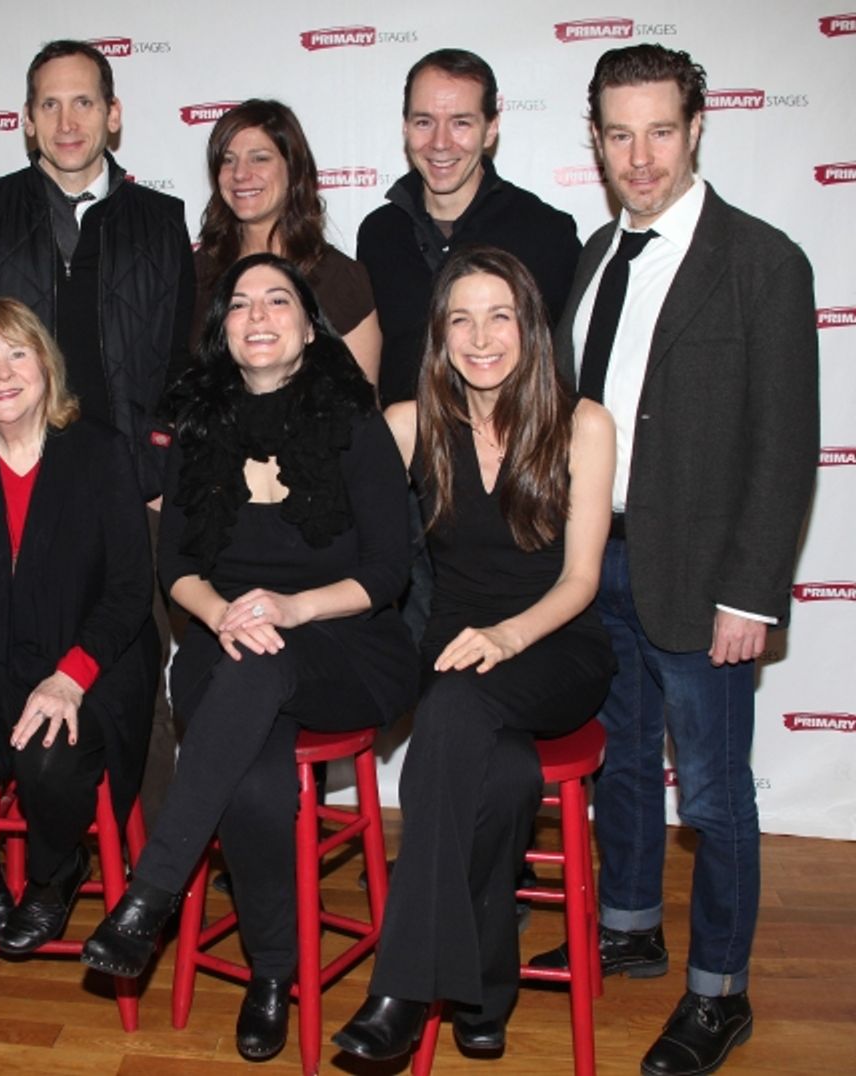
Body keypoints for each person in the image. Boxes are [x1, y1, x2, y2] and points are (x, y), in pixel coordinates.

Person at [529, 45, 818, 1076]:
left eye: (660, 131)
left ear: (696, 128)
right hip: (595, 566)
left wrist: (753, 593)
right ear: (597, 140)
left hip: (703, 580)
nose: (640, 156)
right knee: (619, 766)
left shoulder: (763, 261)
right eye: (620, 134)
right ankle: (630, 929)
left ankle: (719, 993)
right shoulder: (593, 254)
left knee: (714, 795)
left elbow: (785, 445)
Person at [81, 253, 417, 1062]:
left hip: (344, 641)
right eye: (239, 303)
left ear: (310, 326)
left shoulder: (355, 422)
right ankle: (273, 973)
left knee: (263, 665)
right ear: (222, 328)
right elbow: (176, 567)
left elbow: (388, 572)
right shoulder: (198, 426)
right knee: (256, 781)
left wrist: (294, 608)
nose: (257, 316)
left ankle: (150, 894)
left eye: (278, 301)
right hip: (225, 638)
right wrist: (223, 615)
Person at [332, 246, 617, 1061]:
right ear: (440, 334)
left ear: (530, 326)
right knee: (501, 775)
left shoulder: (583, 423)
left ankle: (400, 988)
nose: (481, 337)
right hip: (454, 645)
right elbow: (338, 519)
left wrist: (508, 636)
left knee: (456, 707)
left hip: (555, 648)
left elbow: (582, 580)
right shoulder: (408, 424)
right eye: (462, 319)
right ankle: (485, 989)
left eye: (500, 317)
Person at [0, 38, 195, 827]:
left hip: (128, 492)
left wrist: (157, 469)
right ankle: (50, 846)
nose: (67, 119)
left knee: (135, 673)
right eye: (50, 103)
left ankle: (151, 863)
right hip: (13, 482)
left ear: (113, 115)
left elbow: (184, 364)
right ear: (26, 119)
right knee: (11, 661)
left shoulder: (160, 220)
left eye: (84, 101)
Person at [0, 299, 158, 955]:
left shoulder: (100, 451)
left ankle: (55, 873)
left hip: (95, 664)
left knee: (47, 759)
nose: (2, 373)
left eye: (17, 353)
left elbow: (131, 589)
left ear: (46, 365)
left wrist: (70, 677)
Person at [359, 48, 582, 406]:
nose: (440, 143)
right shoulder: (378, 234)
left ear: (491, 129)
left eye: (460, 122)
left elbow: (564, 369)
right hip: (403, 440)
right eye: (424, 122)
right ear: (405, 127)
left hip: (514, 441)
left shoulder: (547, 233)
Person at [192, 99, 381, 385]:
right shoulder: (194, 276)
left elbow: (364, 404)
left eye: (259, 158)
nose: (240, 174)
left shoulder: (341, 280)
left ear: (293, 169)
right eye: (227, 160)